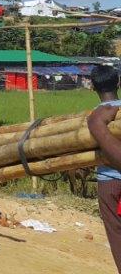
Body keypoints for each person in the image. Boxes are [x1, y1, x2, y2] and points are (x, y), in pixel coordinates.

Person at [87, 65, 121, 271]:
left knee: (117, 236)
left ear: (92, 87)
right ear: (118, 83)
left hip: (109, 184)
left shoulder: (95, 116)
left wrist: (96, 126)